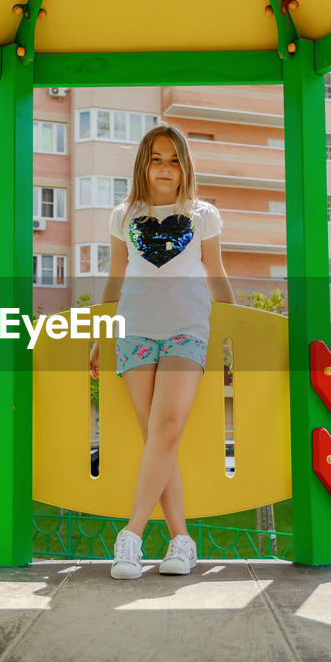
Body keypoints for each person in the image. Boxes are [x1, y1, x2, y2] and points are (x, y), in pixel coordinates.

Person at [90, 124, 233, 579]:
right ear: (144, 165)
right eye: (156, 159)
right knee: (157, 437)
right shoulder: (124, 215)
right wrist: (99, 333)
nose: (165, 168)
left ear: (185, 165)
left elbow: (217, 276)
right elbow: (115, 279)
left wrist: (232, 335)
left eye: (174, 159)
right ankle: (181, 541)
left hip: (186, 331)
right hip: (133, 332)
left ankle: (129, 537)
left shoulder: (202, 215)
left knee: (167, 425)